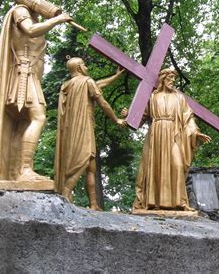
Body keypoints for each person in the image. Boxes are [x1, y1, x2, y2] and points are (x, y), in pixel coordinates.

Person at [0, 0, 72, 181]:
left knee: (26, 121)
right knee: (38, 116)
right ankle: (24, 170)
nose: (41, 2)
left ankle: (17, 170)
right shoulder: (21, 11)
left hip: (30, 75)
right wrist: (56, 20)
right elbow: (30, 30)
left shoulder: (31, 15)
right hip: (22, 75)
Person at [127, 68, 211, 211]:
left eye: (174, 79)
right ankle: (154, 202)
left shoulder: (179, 98)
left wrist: (196, 133)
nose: (172, 81)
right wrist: (128, 115)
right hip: (157, 134)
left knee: (177, 165)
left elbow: (188, 117)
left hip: (174, 134)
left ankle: (181, 202)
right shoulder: (153, 97)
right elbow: (140, 118)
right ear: (163, 79)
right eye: (170, 78)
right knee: (155, 166)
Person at [54, 57, 125, 210]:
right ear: (79, 67)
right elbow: (103, 103)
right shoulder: (86, 81)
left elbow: (98, 85)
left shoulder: (66, 86)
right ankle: (65, 193)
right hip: (83, 126)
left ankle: (93, 204)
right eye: (84, 64)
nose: (86, 67)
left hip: (71, 128)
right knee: (84, 159)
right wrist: (116, 120)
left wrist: (116, 76)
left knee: (91, 167)